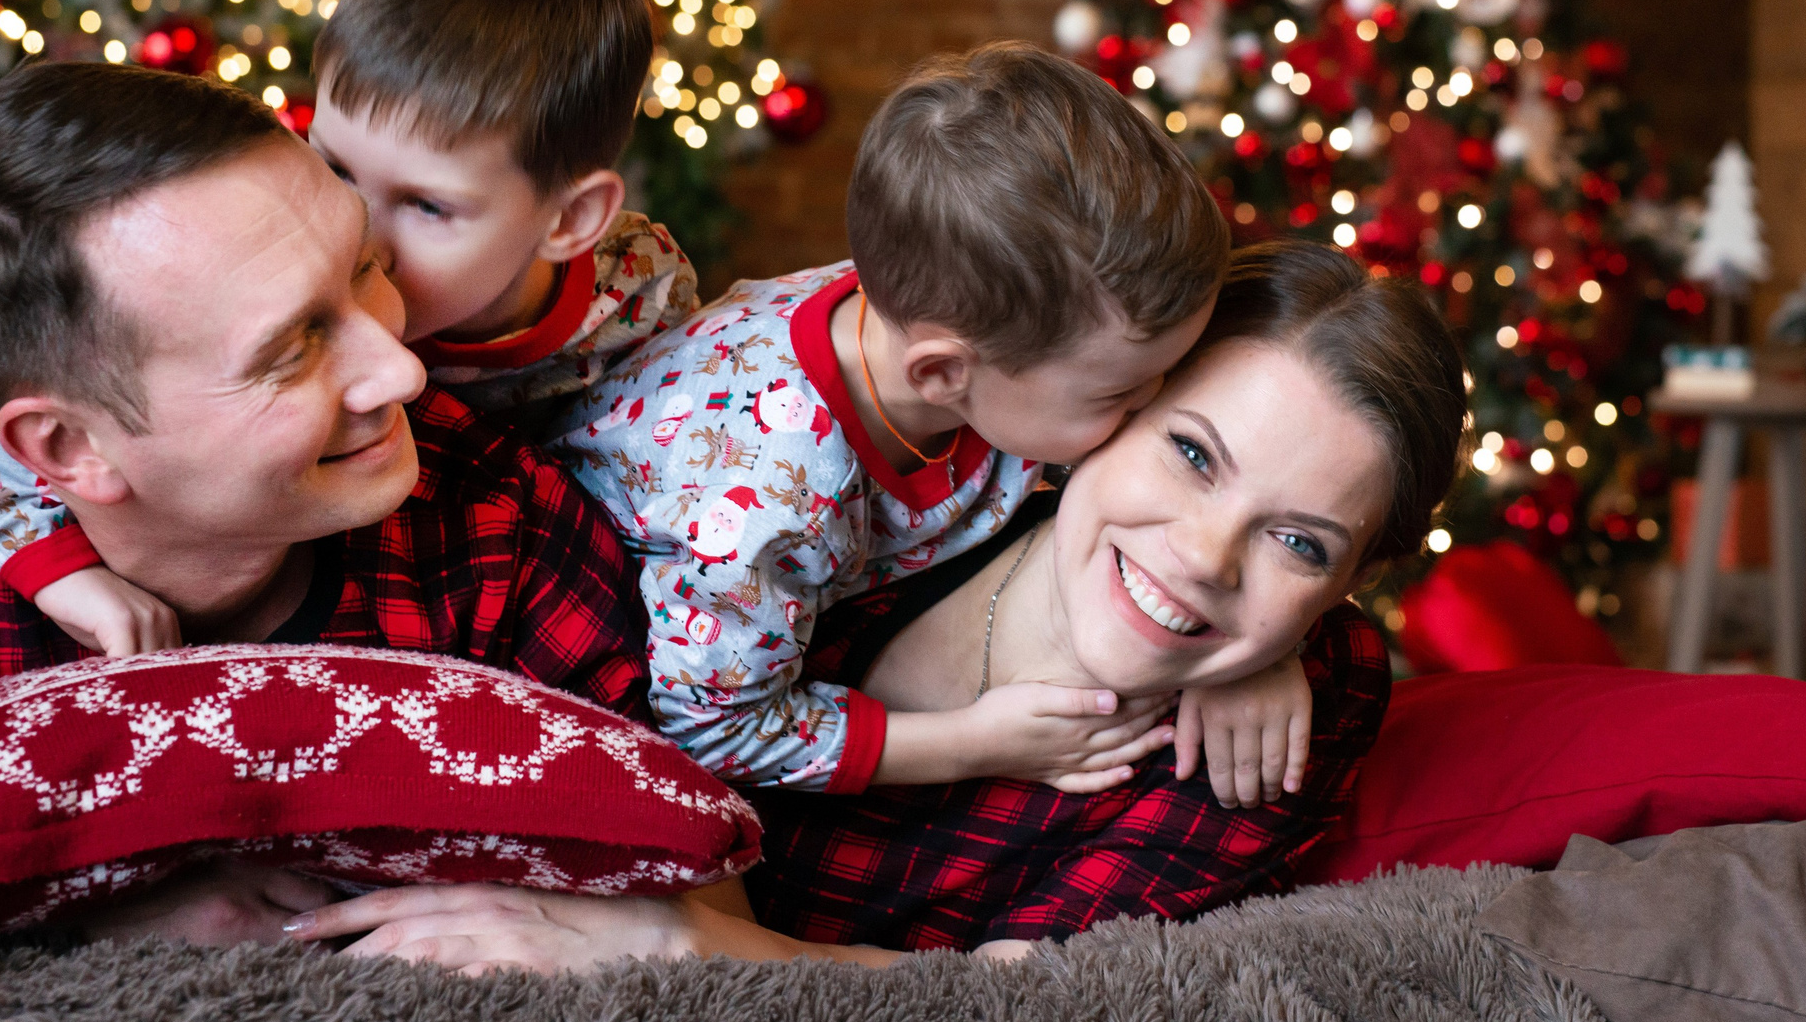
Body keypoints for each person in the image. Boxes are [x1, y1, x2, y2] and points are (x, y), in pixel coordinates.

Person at [0, 62, 648, 949]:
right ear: (69, 448)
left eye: (365, 267)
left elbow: (695, 917)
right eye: (293, 346)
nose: (403, 369)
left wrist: (617, 933)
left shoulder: (497, 514)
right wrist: (74, 934)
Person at [284, 240, 1469, 969]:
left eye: (1299, 539)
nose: (1207, 555)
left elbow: (1040, 1011)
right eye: (1193, 453)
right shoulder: (893, 463)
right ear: (1108, 401)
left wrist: (674, 940)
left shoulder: (1289, 708)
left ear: (1351, 579)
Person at [0, 0, 696, 656]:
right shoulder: (256, 215)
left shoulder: (641, 307)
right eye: (336, 164)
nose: (357, 223)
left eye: (426, 205)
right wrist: (47, 562)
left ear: (570, 219)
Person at [555, 43, 1318, 807]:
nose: (1155, 403)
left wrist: (1250, 647)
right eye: (1120, 392)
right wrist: (976, 741)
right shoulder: (776, 504)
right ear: (943, 374)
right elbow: (716, 727)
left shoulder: (949, 308)